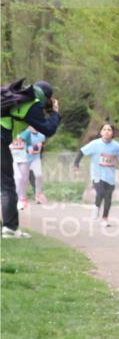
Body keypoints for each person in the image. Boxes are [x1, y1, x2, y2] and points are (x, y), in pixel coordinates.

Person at [1, 80, 59, 237]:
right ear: (46, 98)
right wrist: (54, 113)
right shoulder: (32, 104)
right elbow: (48, 129)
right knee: (7, 186)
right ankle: (10, 229)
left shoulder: (14, 95)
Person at [74, 122, 119, 226]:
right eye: (104, 129)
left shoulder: (116, 146)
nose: (107, 132)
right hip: (97, 174)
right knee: (100, 192)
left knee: (108, 198)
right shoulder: (95, 144)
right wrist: (76, 164)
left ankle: (105, 219)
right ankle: (96, 208)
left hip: (110, 176)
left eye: (109, 130)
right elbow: (82, 151)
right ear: (101, 132)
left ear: (112, 133)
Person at [14, 126, 46, 206]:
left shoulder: (41, 136)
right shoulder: (21, 135)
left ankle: (38, 195)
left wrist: (36, 149)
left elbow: (39, 149)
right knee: (22, 179)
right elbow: (17, 148)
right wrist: (27, 150)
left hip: (35, 159)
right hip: (24, 160)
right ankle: (19, 197)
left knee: (39, 175)